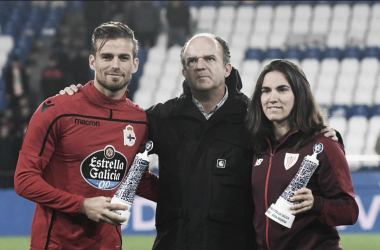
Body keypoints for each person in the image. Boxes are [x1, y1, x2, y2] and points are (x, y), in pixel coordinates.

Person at [62, 34, 340, 250]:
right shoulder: (162, 117)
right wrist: (81, 98)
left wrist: (326, 135)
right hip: (174, 243)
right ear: (184, 72)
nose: (200, 66)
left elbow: (295, 140)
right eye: (192, 61)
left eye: (209, 58)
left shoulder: (255, 116)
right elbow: (114, 143)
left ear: (227, 67)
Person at [14, 22, 158, 250]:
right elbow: (24, 181)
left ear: (135, 65)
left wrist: (189, 195)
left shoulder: (139, 120)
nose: (115, 65)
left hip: (108, 245)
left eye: (123, 58)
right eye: (107, 56)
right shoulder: (57, 110)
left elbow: (135, 179)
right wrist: (82, 205)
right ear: (93, 61)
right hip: (55, 244)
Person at [245, 59, 358, 250]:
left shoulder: (323, 144)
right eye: (266, 91)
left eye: (282, 89)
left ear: (299, 95)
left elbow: (350, 210)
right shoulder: (257, 146)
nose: (272, 98)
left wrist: (317, 204)